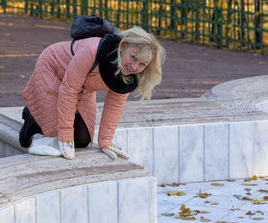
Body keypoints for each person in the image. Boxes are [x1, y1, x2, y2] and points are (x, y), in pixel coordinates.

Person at [19, 26, 166, 160]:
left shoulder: (130, 73)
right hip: (53, 67)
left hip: (83, 85)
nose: (134, 67)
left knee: (82, 140)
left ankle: (40, 118)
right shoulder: (92, 51)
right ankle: (33, 118)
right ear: (123, 46)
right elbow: (69, 90)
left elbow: (115, 106)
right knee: (57, 134)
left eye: (142, 64)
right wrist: (64, 136)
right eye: (133, 57)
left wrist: (106, 141)